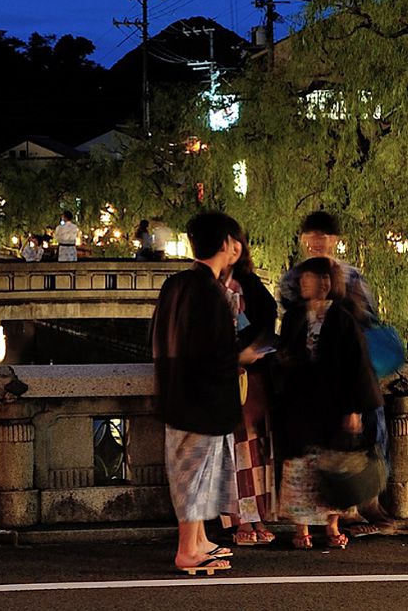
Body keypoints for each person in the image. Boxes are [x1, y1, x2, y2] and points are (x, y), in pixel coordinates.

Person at [151, 211, 264, 575]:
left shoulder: (176, 284)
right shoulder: (211, 293)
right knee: (194, 475)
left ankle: (198, 540)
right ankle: (188, 549)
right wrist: (243, 355)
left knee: (192, 472)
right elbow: (213, 350)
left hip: (175, 390)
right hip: (202, 397)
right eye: (236, 241)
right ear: (229, 244)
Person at [279, 210, 393, 535]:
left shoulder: (352, 279)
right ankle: (313, 521)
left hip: (343, 373)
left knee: (356, 441)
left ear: (334, 240)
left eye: (323, 236)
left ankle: (359, 504)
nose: (316, 242)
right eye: (311, 236)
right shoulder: (293, 279)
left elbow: (368, 320)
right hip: (307, 388)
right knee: (307, 455)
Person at [219, 224, 279, 546]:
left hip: (252, 378)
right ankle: (239, 517)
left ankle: (257, 515)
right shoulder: (211, 285)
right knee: (233, 449)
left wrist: (253, 350)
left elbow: (269, 321)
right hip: (226, 378)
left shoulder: (252, 286)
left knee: (255, 449)